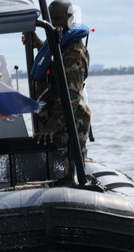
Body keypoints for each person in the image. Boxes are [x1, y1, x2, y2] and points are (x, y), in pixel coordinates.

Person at [24, 0, 91, 180]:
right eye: (51, 19)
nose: (54, 23)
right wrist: (38, 43)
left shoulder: (73, 53)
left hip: (68, 123)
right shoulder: (59, 42)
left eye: (58, 19)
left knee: (66, 172)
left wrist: (52, 127)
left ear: (70, 18)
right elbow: (53, 56)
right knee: (54, 171)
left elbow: (72, 96)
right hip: (54, 119)